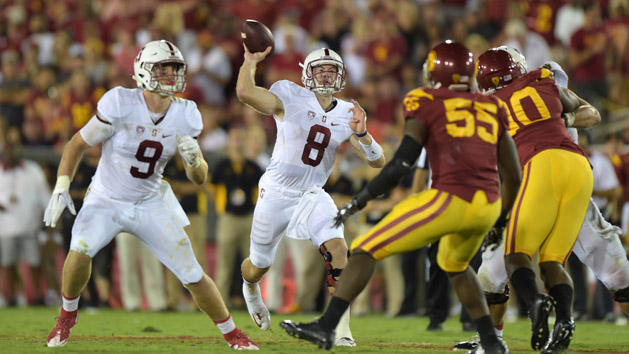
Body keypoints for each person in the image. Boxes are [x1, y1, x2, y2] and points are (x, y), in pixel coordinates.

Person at [279, 41, 522, 354]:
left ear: (434, 72)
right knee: (456, 265)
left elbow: (402, 162)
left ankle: (327, 328)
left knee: (364, 249)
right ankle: (492, 342)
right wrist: (500, 221)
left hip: (450, 199)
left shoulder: (425, 100)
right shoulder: (493, 106)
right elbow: (513, 176)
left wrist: (362, 198)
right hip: (488, 203)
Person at [43, 40, 259, 350]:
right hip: (106, 197)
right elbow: (77, 144)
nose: (171, 75)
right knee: (80, 250)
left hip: (150, 201)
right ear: (143, 71)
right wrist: (62, 185)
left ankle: (233, 334)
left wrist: (195, 160)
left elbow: (199, 179)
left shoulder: (186, 114)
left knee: (192, 273)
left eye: (175, 69)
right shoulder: (120, 102)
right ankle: (66, 317)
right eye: (163, 68)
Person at [456, 58, 629, 352]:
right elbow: (590, 112)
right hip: (573, 173)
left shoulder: (493, 105)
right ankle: (522, 333)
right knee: (535, 266)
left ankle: (518, 320)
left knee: (509, 258)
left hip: (536, 176)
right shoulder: (543, 80)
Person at [235, 44, 386, 347]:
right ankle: (249, 288)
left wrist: (362, 134)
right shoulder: (289, 95)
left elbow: (377, 161)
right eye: (321, 69)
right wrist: (250, 61)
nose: (327, 75)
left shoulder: (346, 111)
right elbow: (246, 93)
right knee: (258, 265)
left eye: (333, 70)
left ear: (342, 76)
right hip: (276, 192)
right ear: (307, 74)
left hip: (313, 194)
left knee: (339, 249)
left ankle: (340, 329)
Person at [475, 47, 594, 353]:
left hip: (538, 165)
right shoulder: (544, 80)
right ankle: (565, 322)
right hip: (579, 167)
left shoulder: (487, 105)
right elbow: (588, 112)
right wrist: (559, 117)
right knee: (553, 260)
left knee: (516, 255)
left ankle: (535, 303)